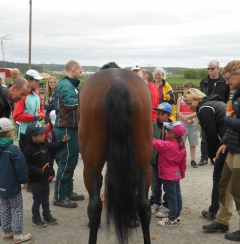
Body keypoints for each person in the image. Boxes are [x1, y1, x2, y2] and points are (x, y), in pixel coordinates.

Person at [202, 60, 240, 241]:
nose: (227, 83)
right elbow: (233, 123)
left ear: (238, 75)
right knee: (223, 183)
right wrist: (224, 141)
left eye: (228, 78)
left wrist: (227, 119)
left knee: (237, 188)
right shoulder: (237, 95)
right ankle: (222, 220)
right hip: (233, 146)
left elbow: (232, 121)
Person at [183, 88, 227, 221]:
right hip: (232, 139)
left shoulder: (204, 108)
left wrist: (212, 155)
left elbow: (211, 134)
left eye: (190, 103)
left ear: (197, 98)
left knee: (218, 179)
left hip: (225, 143)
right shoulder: (213, 102)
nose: (189, 107)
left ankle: (213, 211)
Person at [23, 123, 70, 227]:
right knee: (37, 200)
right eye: (41, 134)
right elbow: (26, 165)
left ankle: (47, 215)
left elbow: (54, 146)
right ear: (33, 137)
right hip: (35, 181)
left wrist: (63, 142)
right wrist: (38, 170)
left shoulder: (45, 145)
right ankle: (35, 218)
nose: (45, 135)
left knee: (45, 199)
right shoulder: (28, 150)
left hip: (45, 179)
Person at [53, 60, 84, 208]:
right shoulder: (65, 85)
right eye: (80, 71)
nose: (81, 73)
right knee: (66, 162)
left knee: (72, 161)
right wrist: (88, 100)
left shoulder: (70, 84)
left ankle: (68, 191)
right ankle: (59, 196)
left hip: (71, 127)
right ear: (74, 69)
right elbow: (71, 103)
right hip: (66, 127)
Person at [0, 118, 32, 243]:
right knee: (17, 208)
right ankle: (18, 234)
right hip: (12, 186)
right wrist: (24, 180)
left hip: (1, 185)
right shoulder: (13, 150)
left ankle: (6, 231)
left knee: (3, 207)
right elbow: (21, 167)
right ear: (9, 133)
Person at [153, 121, 186, 227]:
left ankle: (171, 219)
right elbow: (183, 163)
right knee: (177, 197)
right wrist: (181, 173)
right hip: (176, 175)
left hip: (167, 176)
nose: (165, 131)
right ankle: (177, 216)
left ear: (172, 134)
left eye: (167, 130)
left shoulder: (167, 145)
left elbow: (154, 143)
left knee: (172, 198)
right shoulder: (181, 145)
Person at [199, 60, 230, 166]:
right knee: (205, 134)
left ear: (218, 69)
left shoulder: (224, 82)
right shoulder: (204, 81)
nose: (210, 71)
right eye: (208, 68)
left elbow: (226, 97)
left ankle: (219, 154)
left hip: (218, 111)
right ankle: (204, 157)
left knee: (219, 133)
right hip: (207, 110)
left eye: (212, 68)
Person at [13, 70, 45, 152]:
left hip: (37, 131)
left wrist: (41, 116)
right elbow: (16, 116)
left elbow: (41, 108)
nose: (38, 83)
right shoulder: (22, 96)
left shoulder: (37, 93)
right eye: (36, 81)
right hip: (25, 133)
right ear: (29, 80)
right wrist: (34, 117)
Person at [150, 102, 171, 216]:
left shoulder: (173, 126)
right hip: (154, 160)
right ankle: (156, 202)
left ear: (168, 115)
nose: (159, 116)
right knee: (155, 184)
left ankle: (166, 204)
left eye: (162, 114)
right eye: (158, 113)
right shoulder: (153, 125)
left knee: (167, 184)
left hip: (167, 162)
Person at [176, 82, 198, 168]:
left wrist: (189, 118)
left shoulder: (195, 100)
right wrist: (184, 118)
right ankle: (181, 159)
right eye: (184, 89)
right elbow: (178, 111)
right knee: (181, 142)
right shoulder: (180, 99)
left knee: (193, 142)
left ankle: (192, 159)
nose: (185, 90)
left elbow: (196, 111)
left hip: (193, 122)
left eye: (187, 89)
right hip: (182, 123)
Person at [44, 110, 60, 182]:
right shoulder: (46, 128)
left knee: (59, 158)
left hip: (58, 147)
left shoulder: (61, 127)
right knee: (48, 161)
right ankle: (50, 174)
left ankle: (61, 174)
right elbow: (44, 138)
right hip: (50, 147)